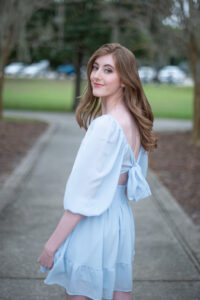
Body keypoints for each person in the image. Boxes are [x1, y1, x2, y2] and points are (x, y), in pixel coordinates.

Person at [37, 43, 157, 300]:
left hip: (96, 221)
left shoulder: (106, 126)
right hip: (120, 218)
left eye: (108, 70)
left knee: (82, 293)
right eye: (95, 67)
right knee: (117, 291)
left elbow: (84, 194)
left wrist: (52, 245)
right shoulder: (133, 119)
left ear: (125, 79)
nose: (96, 75)